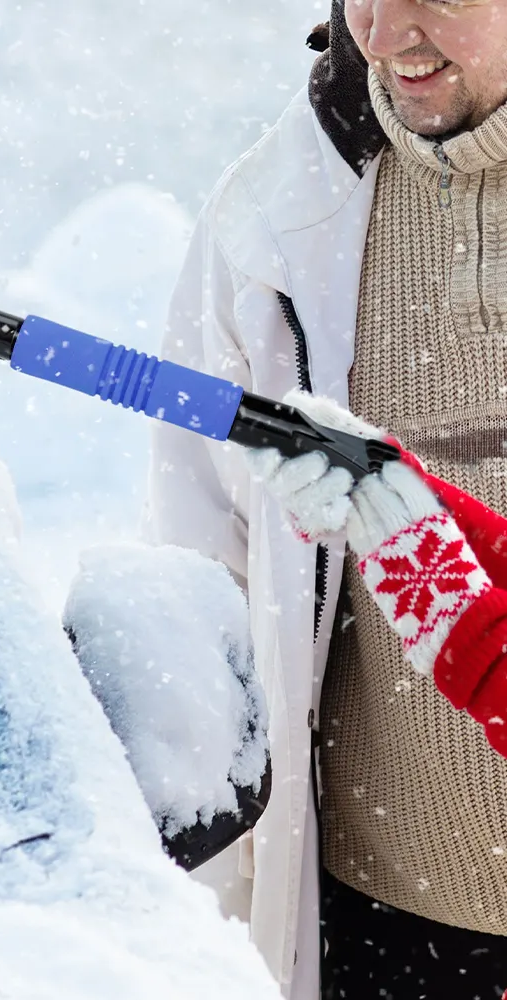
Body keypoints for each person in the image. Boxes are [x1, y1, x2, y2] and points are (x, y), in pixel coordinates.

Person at [144, 1, 507, 997]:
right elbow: (205, 566)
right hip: (381, 926)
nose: (384, 35)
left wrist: (451, 609)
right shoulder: (276, 218)